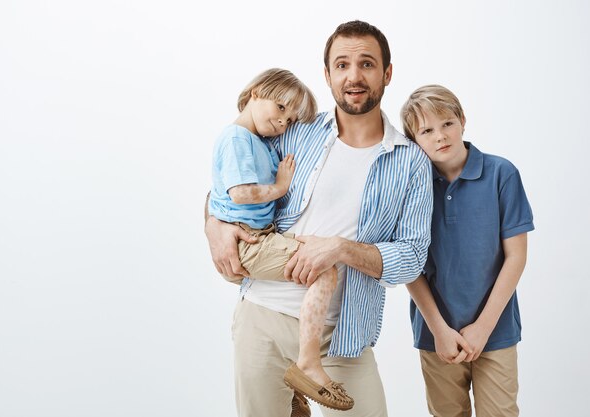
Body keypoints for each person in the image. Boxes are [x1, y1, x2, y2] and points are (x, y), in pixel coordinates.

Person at [205, 20, 433, 417]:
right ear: (327, 76)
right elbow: (230, 181)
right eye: (341, 65)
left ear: (387, 73)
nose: (354, 75)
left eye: (367, 63)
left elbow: (412, 257)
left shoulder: (411, 161)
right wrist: (214, 226)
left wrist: (340, 249)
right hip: (263, 316)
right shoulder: (297, 132)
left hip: (341, 335)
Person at [208, 67, 354, 411]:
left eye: (290, 119)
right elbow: (240, 193)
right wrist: (279, 188)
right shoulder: (235, 139)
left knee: (318, 252)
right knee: (323, 268)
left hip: (262, 237)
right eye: (280, 108)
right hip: (252, 242)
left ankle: (296, 391)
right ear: (255, 92)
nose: (283, 122)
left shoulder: (261, 141)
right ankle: (308, 363)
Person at [400, 84, 534, 417]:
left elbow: (516, 257)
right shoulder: (410, 186)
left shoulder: (501, 174)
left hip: (497, 330)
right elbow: (408, 264)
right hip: (437, 335)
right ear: (414, 139)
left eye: (447, 123)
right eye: (426, 130)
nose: (440, 136)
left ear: (462, 120)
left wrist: (484, 327)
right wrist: (440, 330)